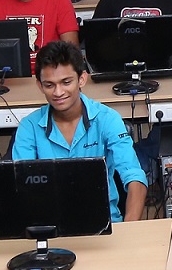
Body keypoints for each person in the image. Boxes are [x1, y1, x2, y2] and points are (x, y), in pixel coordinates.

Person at [11, 41, 147, 222]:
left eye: (66, 82)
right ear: (39, 85)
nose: (58, 92)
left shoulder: (107, 119)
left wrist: (130, 228)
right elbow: (22, 184)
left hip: (105, 223)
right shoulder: (29, 126)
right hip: (49, 226)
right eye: (49, 85)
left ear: (82, 79)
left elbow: (134, 176)